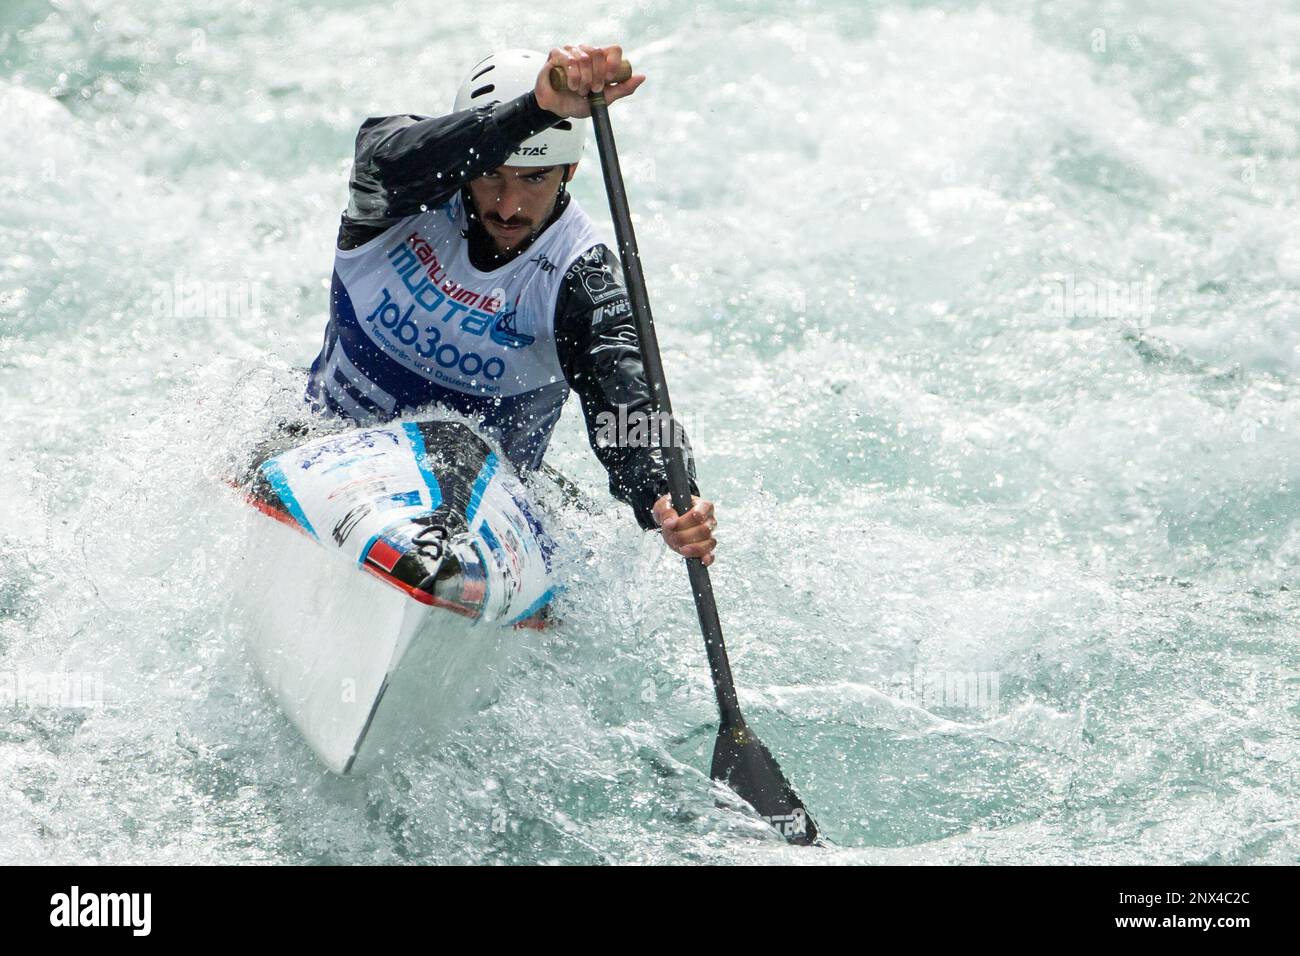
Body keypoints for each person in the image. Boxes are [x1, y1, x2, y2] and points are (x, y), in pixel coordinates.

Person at [304, 44, 716, 565]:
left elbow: (626, 398)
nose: (508, 205)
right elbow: (388, 150)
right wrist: (536, 111)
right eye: (492, 174)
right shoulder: (395, 195)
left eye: (534, 179)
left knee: (457, 447)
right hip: (329, 447)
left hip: (480, 504)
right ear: (465, 162)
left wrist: (664, 494)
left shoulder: (581, 279)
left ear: (569, 171)